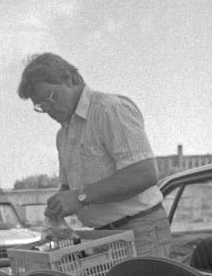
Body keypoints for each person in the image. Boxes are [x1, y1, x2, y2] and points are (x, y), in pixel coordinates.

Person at [17, 53, 172, 257]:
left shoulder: (110, 109)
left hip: (139, 229)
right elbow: (69, 187)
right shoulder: (63, 135)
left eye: (49, 98)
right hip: (102, 235)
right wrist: (59, 203)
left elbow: (144, 173)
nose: (47, 110)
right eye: (40, 106)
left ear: (70, 79)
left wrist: (79, 197)